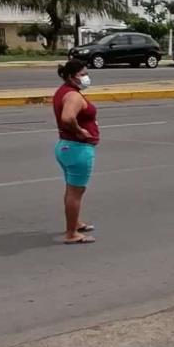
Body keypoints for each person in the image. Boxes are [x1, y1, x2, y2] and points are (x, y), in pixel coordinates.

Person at [53, 59, 99, 244]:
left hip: (66, 147)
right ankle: (72, 234)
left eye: (86, 73)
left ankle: (75, 222)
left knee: (71, 189)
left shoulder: (63, 91)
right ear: (72, 77)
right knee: (76, 191)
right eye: (82, 74)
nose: (86, 77)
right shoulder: (73, 96)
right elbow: (67, 117)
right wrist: (80, 131)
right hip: (77, 149)